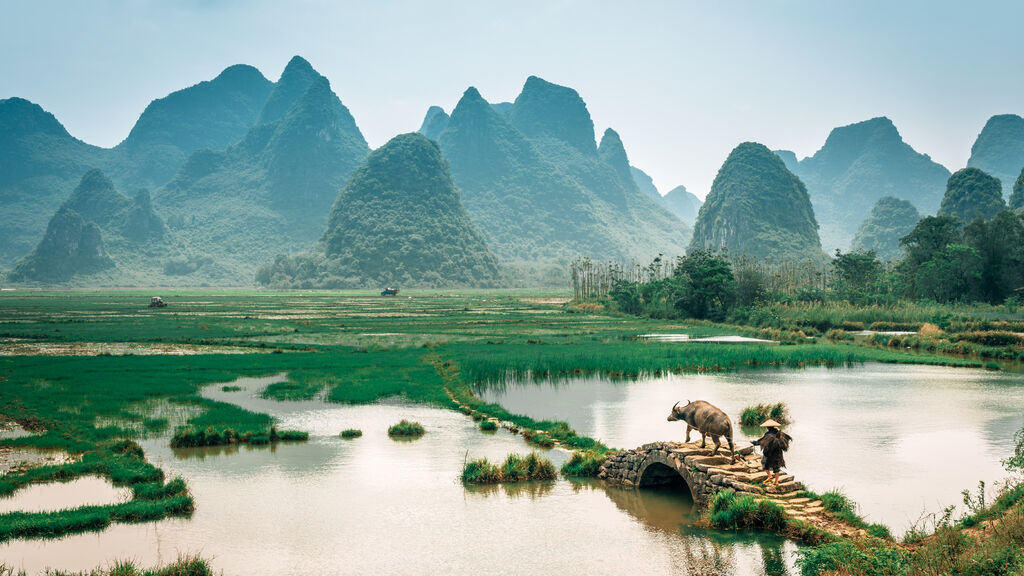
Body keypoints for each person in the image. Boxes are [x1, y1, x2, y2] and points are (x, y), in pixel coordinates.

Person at [751, 419, 792, 489]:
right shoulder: (779, 433)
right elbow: (786, 438)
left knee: (764, 463)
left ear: (767, 427)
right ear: (774, 426)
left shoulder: (767, 434)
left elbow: (761, 442)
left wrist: (753, 442)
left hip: (768, 454)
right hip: (777, 454)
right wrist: (779, 430)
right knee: (776, 467)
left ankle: (770, 476)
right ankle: (776, 482)